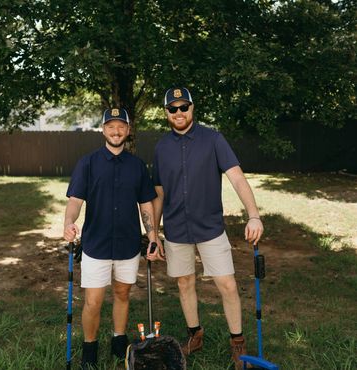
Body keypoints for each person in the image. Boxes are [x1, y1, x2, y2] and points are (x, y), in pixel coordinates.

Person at [152, 87, 264, 370]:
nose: (179, 113)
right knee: (184, 283)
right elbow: (159, 193)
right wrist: (153, 233)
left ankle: (237, 344)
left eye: (184, 107)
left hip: (211, 227)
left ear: (192, 108)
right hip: (176, 229)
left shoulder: (214, 139)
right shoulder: (161, 147)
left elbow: (237, 178)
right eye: (173, 109)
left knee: (226, 284)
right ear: (166, 113)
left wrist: (254, 215)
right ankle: (195, 335)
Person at [63, 107, 157, 369]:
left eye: (121, 126)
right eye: (111, 126)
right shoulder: (88, 163)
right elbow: (75, 201)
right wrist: (69, 222)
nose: (116, 131)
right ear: (103, 130)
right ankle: (90, 348)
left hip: (128, 244)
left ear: (128, 130)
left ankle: (119, 341)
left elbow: (146, 206)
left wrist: (152, 236)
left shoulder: (137, 166)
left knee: (122, 293)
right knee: (93, 300)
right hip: (96, 244)